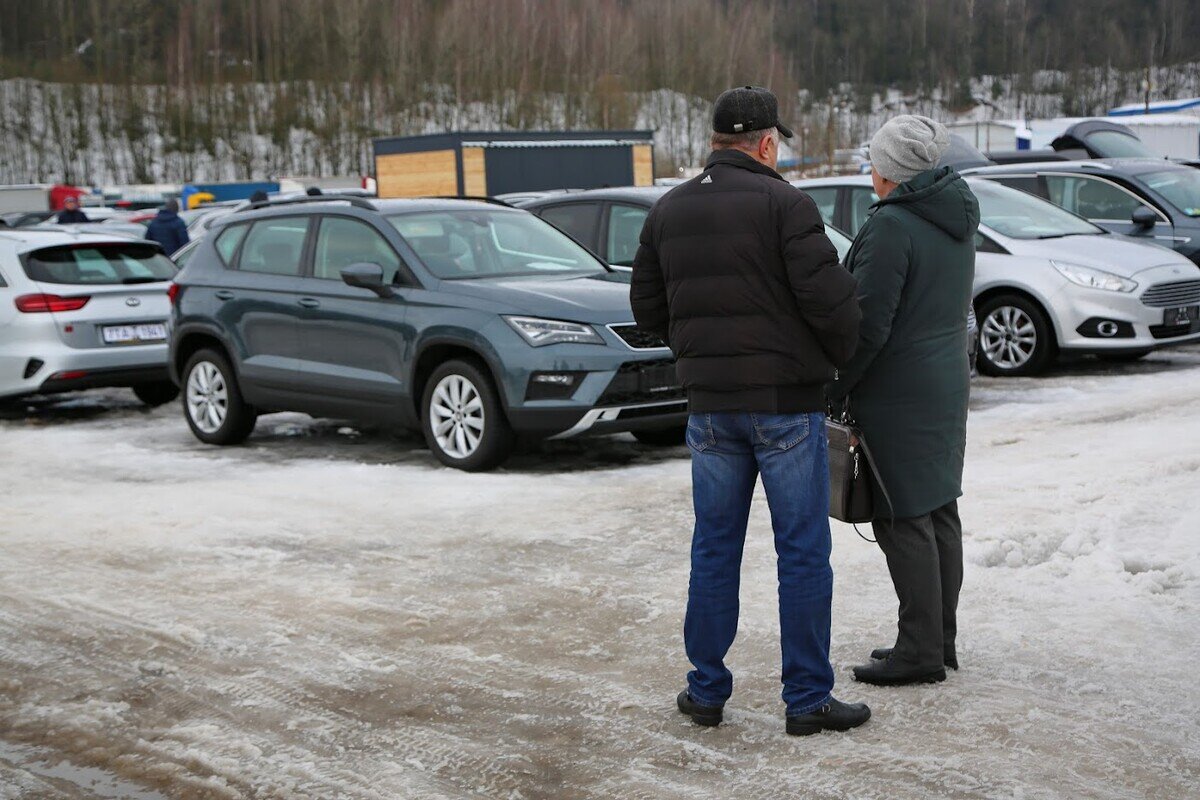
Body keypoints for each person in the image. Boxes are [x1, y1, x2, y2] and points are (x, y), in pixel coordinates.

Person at [631, 86, 869, 737]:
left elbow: (646, 311)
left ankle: (705, 691)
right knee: (801, 553)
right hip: (786, 409)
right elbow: (836, 307)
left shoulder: (668, 211)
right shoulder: (787, 205)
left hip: (710, 411)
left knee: (714, 550)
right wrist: (834, 362)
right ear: (767, 143)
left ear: (713, 141)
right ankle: (807, 700)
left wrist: (697, 349)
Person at [829, 115, 979, 686]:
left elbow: (866, 327)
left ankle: (918, 651)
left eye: (874, 161)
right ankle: (938, 640)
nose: (870, 170)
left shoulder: (894, 226)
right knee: (938, 510)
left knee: (902, 517)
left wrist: (834, 386)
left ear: (890, 171)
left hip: (898, 393)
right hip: (942, 384)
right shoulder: (954, 214)